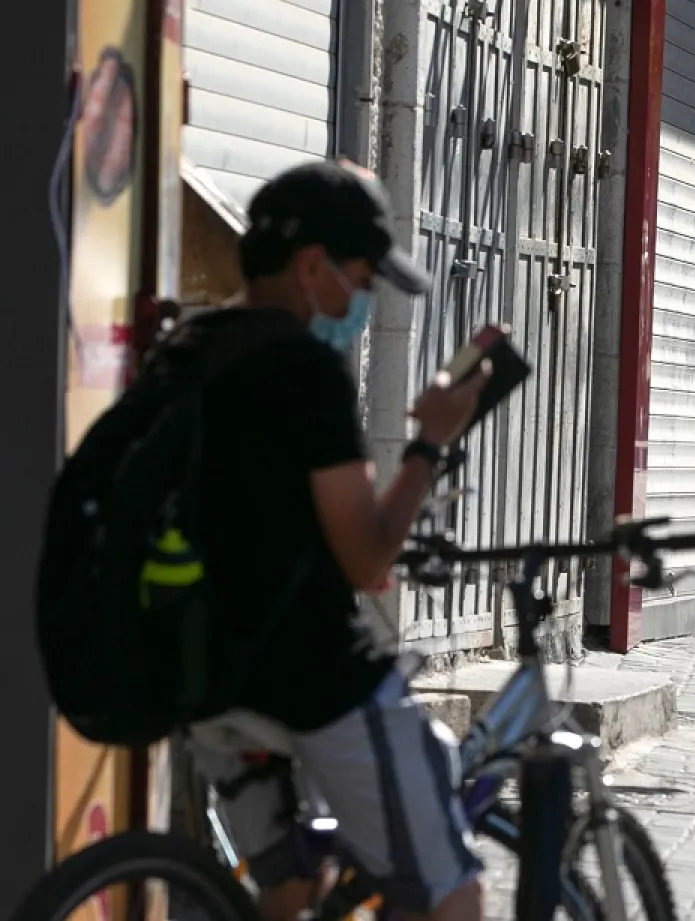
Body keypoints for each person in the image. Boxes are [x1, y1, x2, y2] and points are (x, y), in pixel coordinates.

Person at [185, 159, 492, 921]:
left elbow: (251, 513)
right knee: (451, 896)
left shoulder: (191, 349)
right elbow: (369, 554)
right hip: (313, 678)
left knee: (289, 896)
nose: (362, 300)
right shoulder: (305, 372)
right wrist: (431, 443)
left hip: (205, 672)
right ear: (312, 265)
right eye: (360, 279)